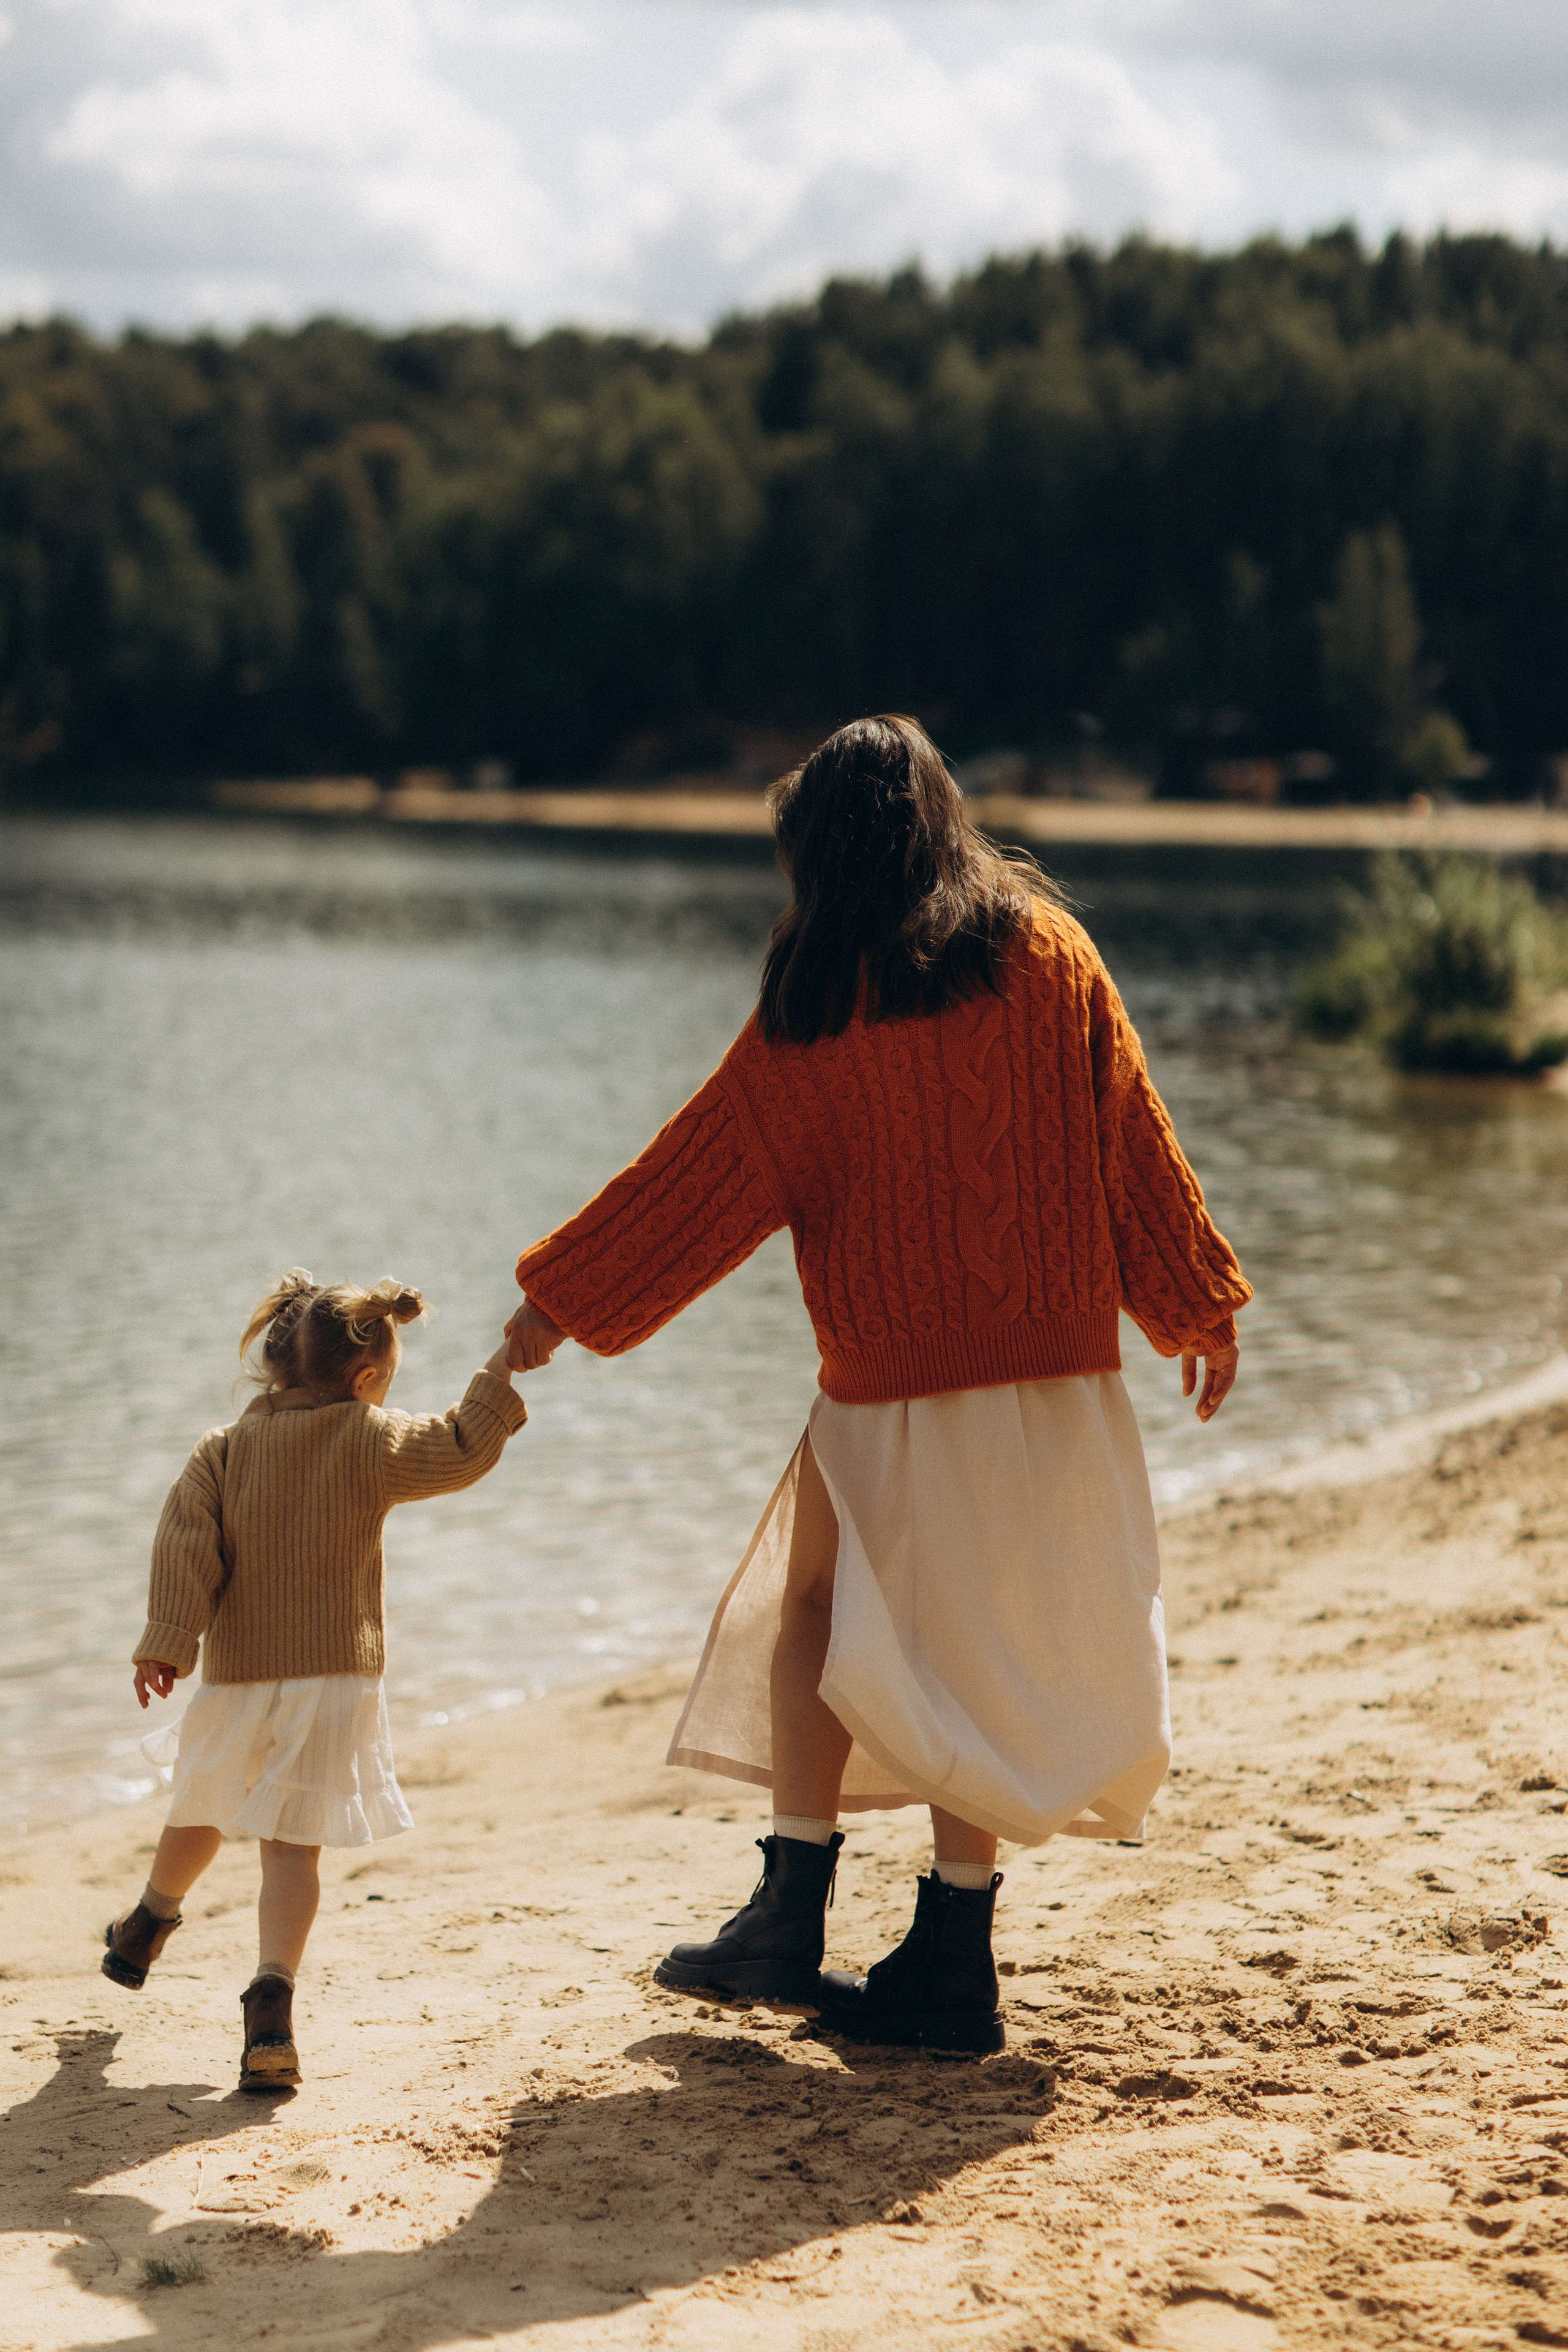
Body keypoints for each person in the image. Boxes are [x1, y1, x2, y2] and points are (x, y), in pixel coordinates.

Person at [507, 714, 1250, 2055]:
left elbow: (694, 1183)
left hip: (891, 1381)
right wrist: (1190, 1299)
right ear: (939, 821)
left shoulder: (817, 997)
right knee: (967, 1641)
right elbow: (1129, 1137)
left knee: (807, 1609)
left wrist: (556, 1307)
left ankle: (789, 1908)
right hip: (1050, 1379)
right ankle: (950, 1955)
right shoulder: (1046, 951)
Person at [104, 1271, 529, 2092]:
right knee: (291, 1849)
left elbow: (185, 1547)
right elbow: (459, 1447)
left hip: (237, 1678)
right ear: (365, 1378)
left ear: (271, 1365)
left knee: (201, 1804)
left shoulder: (220, 1452)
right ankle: (271, 2007)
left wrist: (165, 1642)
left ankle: (146, 1922)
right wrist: (501, 1372)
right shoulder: (368, 1436)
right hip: (333, 1680)